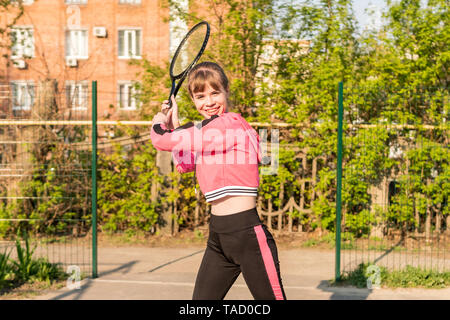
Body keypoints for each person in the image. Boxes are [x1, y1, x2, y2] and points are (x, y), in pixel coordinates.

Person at [150, 61, 286, 300]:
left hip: (247, 237)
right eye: (200, 96)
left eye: (215, 93)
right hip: (218, 238)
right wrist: (175, 124)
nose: (209, 102)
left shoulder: (229, 124)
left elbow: (161, 139)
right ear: (193, 100)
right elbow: (185, 163)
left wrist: (159, 121)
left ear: (226, 92)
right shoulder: (209, 133)